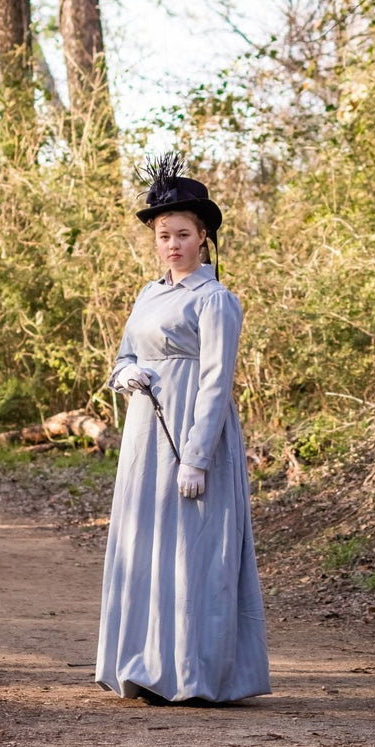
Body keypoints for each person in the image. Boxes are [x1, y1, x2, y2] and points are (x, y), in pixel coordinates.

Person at [94, 153, 270, 705]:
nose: (172, 244)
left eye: (183, 234)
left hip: (194, 435)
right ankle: (146, 666)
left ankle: (194, 675)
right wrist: (126, 372)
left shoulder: (216, 300)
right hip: (146, 437)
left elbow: (217, 382)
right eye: (164, 234)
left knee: (193, 549)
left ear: (204, 238)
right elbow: (124, 352)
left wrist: (195, 456)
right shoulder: (149, 295)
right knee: (147, 545)